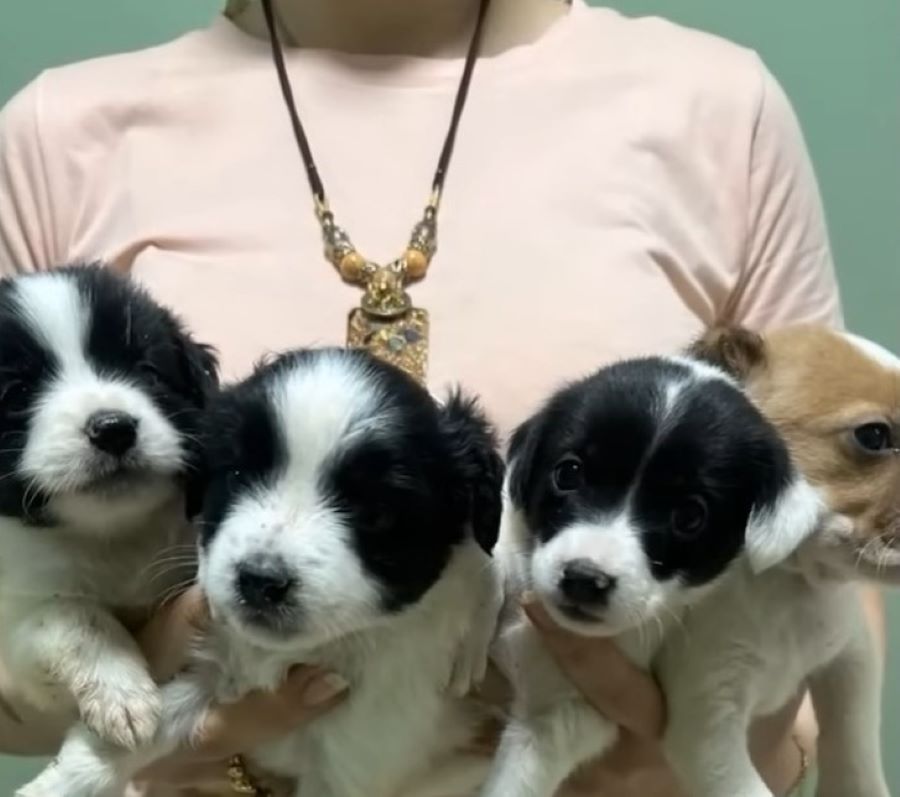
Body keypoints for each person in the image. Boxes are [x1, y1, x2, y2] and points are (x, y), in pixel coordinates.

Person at [0, 0, 885, 795]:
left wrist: (762, 749)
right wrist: (178, 717)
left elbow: (826, 545)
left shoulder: (719, 110)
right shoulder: (55, 134)